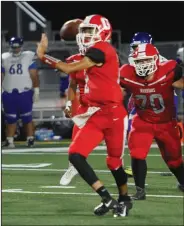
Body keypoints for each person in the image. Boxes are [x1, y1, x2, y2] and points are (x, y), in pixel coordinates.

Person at [37, 14, 132, 217]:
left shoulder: (103, 49)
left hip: (114, 114)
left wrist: (43, 55)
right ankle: (107, 198)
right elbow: (71, 69)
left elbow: (68, 67)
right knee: (76, 154)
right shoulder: (88, 53)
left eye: (89, 31)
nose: (84, 35)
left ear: (103, 32)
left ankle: (125, 198)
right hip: (96, 113)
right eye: (83, 31)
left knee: (114, 162)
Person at [120, 43, 184, 200]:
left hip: (166, 123)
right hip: (143, 121)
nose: (143, 64)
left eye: (146, 60)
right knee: (137, 154)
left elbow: (180, 82)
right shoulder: (126, 74)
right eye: (139, 61)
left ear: (156, 59)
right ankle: (140, 191)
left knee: (174, 160)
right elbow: (116, 92)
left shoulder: (169, 70)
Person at [2, 37, 39, 148]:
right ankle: (10, 140)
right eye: (14, 47)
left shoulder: (28, 56)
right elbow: (1, 74)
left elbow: (34, 74)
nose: (16, 49)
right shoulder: (4, 57)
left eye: (17, 47)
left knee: (27, 118)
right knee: (10, 118)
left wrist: (36, 89)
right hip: (9, 92)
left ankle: (30, 139)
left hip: (24, 91)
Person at [59, 53, 85, 186]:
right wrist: (69, 104)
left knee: (114, 144)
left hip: (104, 104)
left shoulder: (105, 57)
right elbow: (73, 84)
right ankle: (73, 167)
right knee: (76, 139)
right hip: (86, 104)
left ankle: (121, 167)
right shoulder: (76, 60)